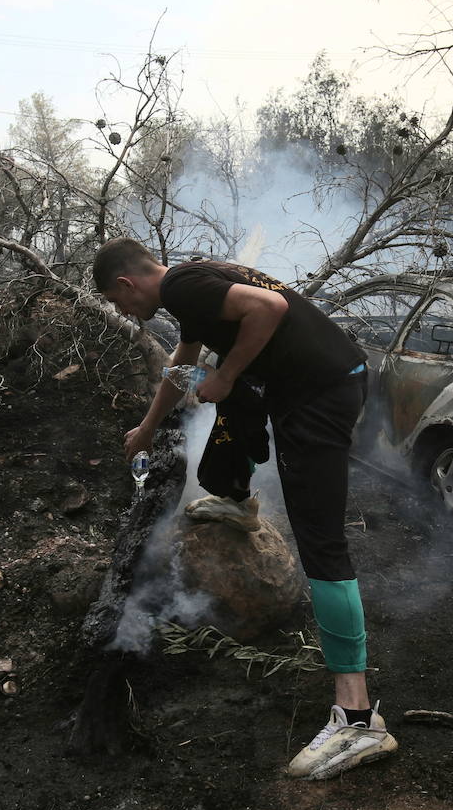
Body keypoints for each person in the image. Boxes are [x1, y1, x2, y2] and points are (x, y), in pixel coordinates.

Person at [93, 238, 397, 780]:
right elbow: (180, 366)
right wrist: (146, 428)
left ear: (126, 283)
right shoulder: (190, 288)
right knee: (230, 407)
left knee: (322, 545)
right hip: (314, 384)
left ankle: (357, 719)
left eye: (121, 304)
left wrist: (228, 375)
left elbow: (269, 307)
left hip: (320, 395)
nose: (128, 314)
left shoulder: (181, 286)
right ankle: (237, 502)